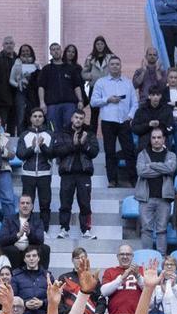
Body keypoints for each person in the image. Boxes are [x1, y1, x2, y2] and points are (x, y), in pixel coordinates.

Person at [90, 57, 137, 188]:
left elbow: (135, 103)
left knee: (129, 151)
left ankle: (133, 180)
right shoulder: (101, 82)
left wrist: (130, 116)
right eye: (112, 64)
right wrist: (107, 99)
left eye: (117, 64)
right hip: (108, 121)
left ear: (121, 66)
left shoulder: (128, 83)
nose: (115, 66)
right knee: (110, 152)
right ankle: (112, 180)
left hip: (124, 121)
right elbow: (93, 102)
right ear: (108, 67)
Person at [54, 109, 99, 240]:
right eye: (76, 117)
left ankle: (86, 230)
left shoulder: (89, 133)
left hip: (84, 173)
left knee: (85, 203)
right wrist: (73, 145)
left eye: (81, 118)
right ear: (72, 119)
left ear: (83, 120)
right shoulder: (63, 133)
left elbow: (94, 152)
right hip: (67, 173)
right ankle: (64, 229)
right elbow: (58, 151)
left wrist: (84, 144)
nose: (78, 120)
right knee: (65, 203)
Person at [134, 128, 177, 252]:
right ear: (150, 139)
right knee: (146, 230)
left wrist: (152, 165)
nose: (156, 140)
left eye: (159, 137)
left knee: (162, 230)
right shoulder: (142, 154)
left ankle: (161, 257)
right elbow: (141, 171)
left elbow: (170, 169)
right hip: (145, 199)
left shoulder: (171, 155)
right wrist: (162, 169)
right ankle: (147, 257)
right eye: (154, 137)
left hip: (164, 199)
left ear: (164, 139)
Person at [17, 108, 54, 228]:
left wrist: (42, 146)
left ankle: (44, 230)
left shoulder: (49, 134)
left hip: (45, 173)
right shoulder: (24, 134)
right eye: (35, 116)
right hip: (28, 174)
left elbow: (53, 154)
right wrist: (32, 148)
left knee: (45, 203)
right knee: (27, 205)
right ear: (30, 118)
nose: (37, 118)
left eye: (40, 116)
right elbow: (20, 154)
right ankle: (27, 229)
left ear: (43, 118)